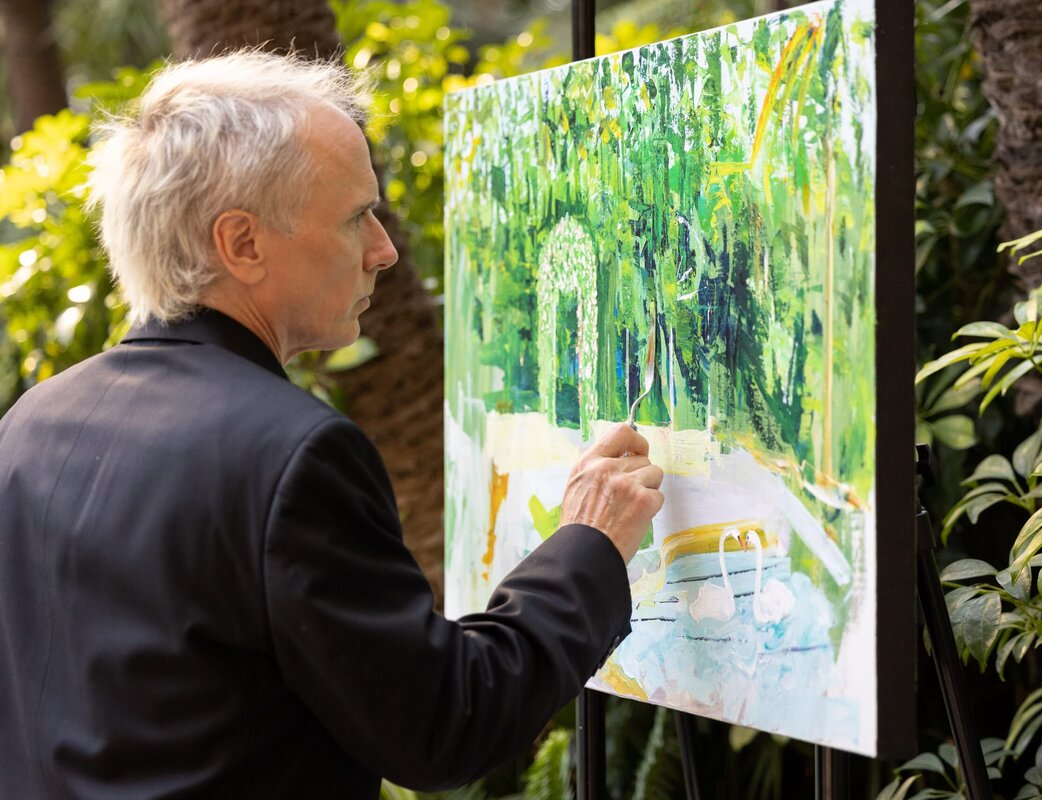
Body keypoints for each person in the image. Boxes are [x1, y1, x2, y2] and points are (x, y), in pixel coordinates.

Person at [0, 51, 664, 798]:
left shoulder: (30, 425)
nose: (384, 250)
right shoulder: (292, 456)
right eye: (356, 218)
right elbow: (444, 725)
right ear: (241, 243)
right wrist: (591, 543)